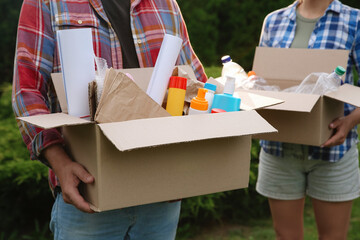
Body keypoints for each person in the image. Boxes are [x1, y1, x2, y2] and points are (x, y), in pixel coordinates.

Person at [12, 0, 207, 239]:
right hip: (89, 191)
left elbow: (195, 82)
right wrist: (60, 162)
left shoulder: (164, 4)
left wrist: (192, 160)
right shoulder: (47, 2)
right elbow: (27, 91)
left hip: (162, 191)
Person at [256, 0, 360, 239]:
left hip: (334, 151)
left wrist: (350, 121)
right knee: (286, 236)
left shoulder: (354, 20)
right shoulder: (274, 21)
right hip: (278, 148)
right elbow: (260, 81)